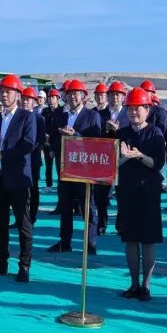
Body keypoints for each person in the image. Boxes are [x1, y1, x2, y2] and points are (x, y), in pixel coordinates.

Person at [0, 75, 37, 282]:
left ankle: (24, 265)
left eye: (9, 92)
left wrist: (2, 155)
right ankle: (1, 263)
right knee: (1, 224)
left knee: (23, 224)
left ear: (18, 95)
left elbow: (28, 144)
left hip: (18, 178)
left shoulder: (26, 117)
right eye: (2, 92)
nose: (4, 95)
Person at [115, 88, 166, 301]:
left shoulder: (155, 133)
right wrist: (125, 158)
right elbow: (114, 164)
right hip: (127, 191)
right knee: (130, 240)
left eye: (138, 109)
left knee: (148, 240)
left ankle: (146, 285)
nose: (134, 113)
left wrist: (140, 156)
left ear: (147, 110)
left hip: (148, 192)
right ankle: (134, 283)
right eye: (130, 109)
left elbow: (158, 163)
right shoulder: (121, 134)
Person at [48, 79, 102, 254]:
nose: (73, 97)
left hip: (84, 168)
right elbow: (54, 138)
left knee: (88, 206)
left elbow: (95, 141)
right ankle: (65, 242)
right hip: (66, 166)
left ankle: (90, 242)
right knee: (65, 206)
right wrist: (56, 143)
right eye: (70, 94)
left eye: (76, 94)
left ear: (83, 96)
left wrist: (75, 135)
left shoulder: (92, 116)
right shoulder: (60, 115)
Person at [97, 81, 128, 234]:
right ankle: (101, 223)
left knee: (122, 195)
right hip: (104, 159)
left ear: (123, 97)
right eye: (112, 95)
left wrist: (118, 130)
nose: (115, 98)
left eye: (118, 95)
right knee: (101, 195)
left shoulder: (129, 113)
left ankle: (121, 225)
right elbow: (95, 135)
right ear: (107, 97)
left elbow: (131, 135)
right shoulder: (99, 114)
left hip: (123, 160)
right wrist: (106, 130)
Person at [20, 86, 46, 223]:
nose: (25, 102)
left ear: (34, 102)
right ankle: (21, 217)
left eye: (28, 99)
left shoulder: (39, 118)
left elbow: (39, 140)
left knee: (33, 189)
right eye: (23, 99)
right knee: (20, 190)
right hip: (18, 160)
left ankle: (32, 216)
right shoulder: (17, 116)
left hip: (32, 160)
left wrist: (25, 149)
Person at [41, 88, 61, 191]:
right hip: (47, 142)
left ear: (58, 98)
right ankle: (49, 185)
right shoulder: (45, 111)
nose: (51, 99)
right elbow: (42, 125)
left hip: (58, 142)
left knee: (59, 165)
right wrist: (45, 136)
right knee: (48, 164)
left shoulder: (62, 111)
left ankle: (61, 185)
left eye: (53, 97)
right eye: (49, 97)